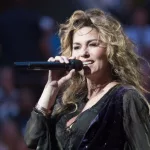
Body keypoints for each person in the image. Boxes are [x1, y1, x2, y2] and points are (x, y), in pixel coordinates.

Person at [24, 8, 150, 150]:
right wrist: (51, 88)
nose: (83, 53)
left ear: (111, 51)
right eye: (77, 47)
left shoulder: (125, 98)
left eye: (92, 44)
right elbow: (32, 139)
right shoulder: (69, 103)